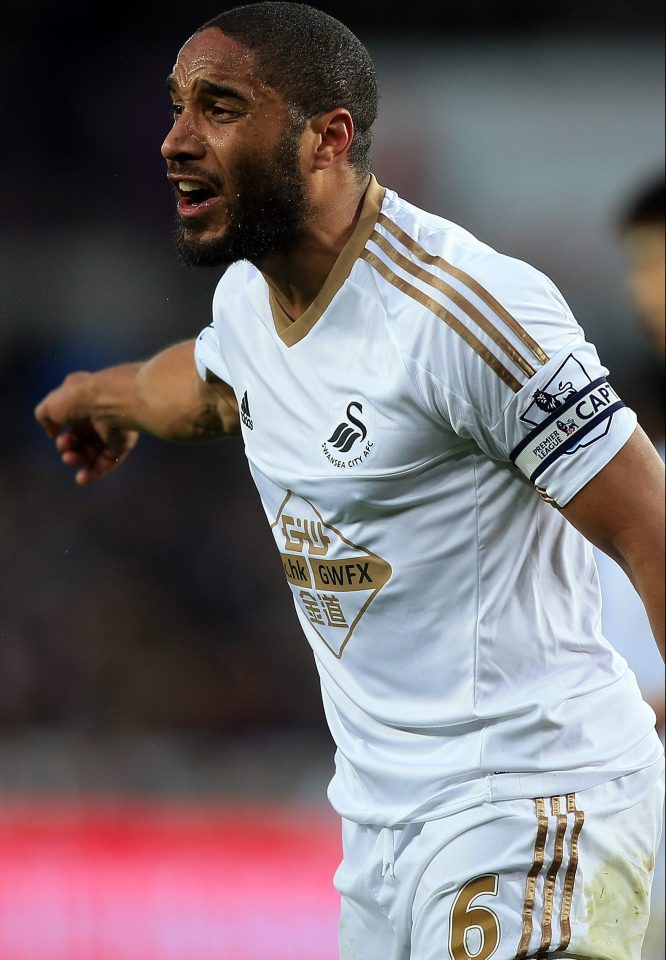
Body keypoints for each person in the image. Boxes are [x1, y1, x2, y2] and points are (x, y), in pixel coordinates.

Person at [35, 5, 664, 958]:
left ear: (328, 138)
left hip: (533, 811)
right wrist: (105, 398)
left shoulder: (464, 313)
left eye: (218, 107)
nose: (174, 140)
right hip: (378, 845)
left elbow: (649, 525)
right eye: (175, 107)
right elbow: (210, 386)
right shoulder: (248, 300)